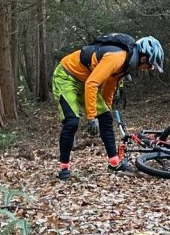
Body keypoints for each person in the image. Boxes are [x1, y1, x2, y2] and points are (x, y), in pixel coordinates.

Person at [52, 35, 164, 181]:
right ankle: (64, 168)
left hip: (85, 80)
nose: (148, 68)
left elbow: (109, 87)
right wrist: (91, 118)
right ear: (144, 58)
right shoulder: (117, 58)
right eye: (150, 65)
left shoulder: (125, 65)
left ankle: (114, 164)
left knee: (105, 117)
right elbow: (92, 84)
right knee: (71, 121)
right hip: (66, 76)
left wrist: (105, 110)